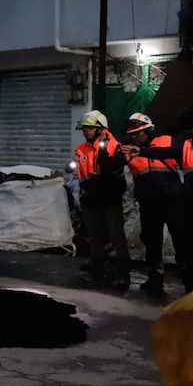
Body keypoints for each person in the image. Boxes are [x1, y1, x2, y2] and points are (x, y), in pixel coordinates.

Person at [121, 113, 191, 295]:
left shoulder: (166, 141)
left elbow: (175, 152)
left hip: (173, 202)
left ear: (148, 130)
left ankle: (189, 281)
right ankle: (155, 278)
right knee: (152, 242)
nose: (135, 137)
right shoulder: (131, 151)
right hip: (149, 205)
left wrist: (143, 151)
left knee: (182, 241)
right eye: (133, 134)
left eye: (139, 133)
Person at [68, 110, 130, 290]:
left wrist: (102, 153)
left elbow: (115, 169)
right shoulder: (81, 149)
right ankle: (97, 273)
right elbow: (78, 173)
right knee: (95, 239)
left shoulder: (114, 146)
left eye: (90, 128)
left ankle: (123, 275)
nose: (86, 131)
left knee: (117, 238)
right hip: (91, 200)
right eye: (85, 128)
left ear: (101, 129)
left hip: (109, 199)